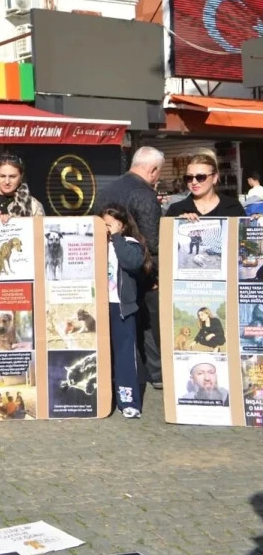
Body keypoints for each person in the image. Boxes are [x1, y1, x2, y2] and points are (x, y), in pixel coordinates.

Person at [96, 146, 164, 390]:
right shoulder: (144, 194)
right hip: (139, 269)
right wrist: (154, 275)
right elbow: (154, 241)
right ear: (153, 170)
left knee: (120, 325)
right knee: (148, 321)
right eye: (158, 173)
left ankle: (122, 373)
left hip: (110, 269)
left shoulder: (108, 188)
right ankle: (155, 373)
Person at [100, 204, 150, 418]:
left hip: (120, 306)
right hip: (98, 306)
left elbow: (131, 263)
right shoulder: (95, 243)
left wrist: (117, 237)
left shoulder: (131, 244)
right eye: (104, 223)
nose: (107, 228)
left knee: (124, 354)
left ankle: (129, 401)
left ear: (122, 224)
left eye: (111, 223)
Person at [165, 150, 245, 219]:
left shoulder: (233, 206)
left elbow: (244, 235)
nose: (194, 182)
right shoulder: (176, 210)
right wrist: (178, 224)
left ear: (214, 178)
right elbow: (165, 235)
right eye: (189, 177)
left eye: (200, 177)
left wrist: (256, 220)